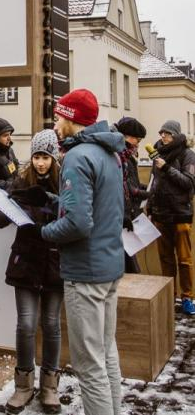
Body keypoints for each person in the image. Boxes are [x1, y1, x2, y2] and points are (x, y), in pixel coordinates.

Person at [40, 89, 125, 415]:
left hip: (85, 272)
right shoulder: (109, 154)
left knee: (89, 366)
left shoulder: (77, 156)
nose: (56, 122)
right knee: (106, 355)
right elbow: (103, 208)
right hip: (108, 266)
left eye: (60, 116)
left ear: (72, 119)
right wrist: (53, 201)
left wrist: (43, 231)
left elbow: (78, 224)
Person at [0, 129, 62, 414]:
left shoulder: (65, 182)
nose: (41, 162)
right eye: (36, 156)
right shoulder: (20, 180)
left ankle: (50, 386)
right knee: (26, 325)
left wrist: (47, 206)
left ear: (54, 158)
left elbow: (74, 216)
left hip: (55, 263)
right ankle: (23, 386)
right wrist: (11, 203)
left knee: (52, 325)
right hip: (26, 261)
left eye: (45, 156)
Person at [148, 120, 195, 315]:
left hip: (181, 215)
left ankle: (188, 298)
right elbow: (153, 184)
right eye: (161, 133)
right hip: (160, 215)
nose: (163, 137)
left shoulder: (187, 154)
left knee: (184, 260)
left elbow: (189, 182)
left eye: (167, 133)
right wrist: (150, 208)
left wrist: (166, 168)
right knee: (165, 259)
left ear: (175, 135)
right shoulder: (156, 154)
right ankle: (169, 294)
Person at [113, 117, 149, 274]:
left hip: (127, 217)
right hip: (120, 219)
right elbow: (123, 186)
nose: (137, 144)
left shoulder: (127, 157)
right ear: (127, 136)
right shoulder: (118, 156)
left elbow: (130, 184)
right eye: (137, 139)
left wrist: (143, 189)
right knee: (129, 269)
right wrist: (142, 192)